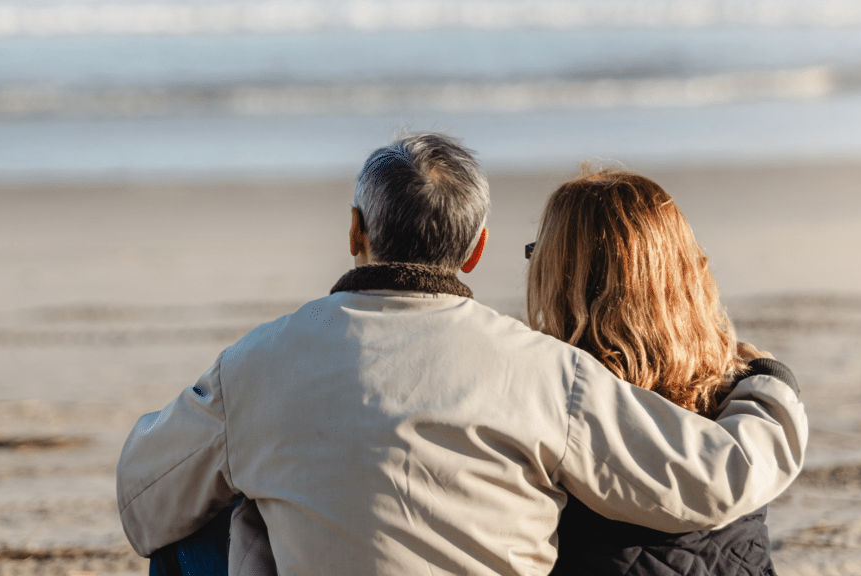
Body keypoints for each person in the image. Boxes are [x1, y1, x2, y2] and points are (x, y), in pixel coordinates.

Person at [117, 133, 807, 576]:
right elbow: (718, 477)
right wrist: (766, 386)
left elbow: (144, 500)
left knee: (199, 529)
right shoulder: (547, 373)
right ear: (476, 249)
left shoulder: (255, 364)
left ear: (356, 230)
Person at [527, 168, 792, 576]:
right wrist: (769, 377)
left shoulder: (545, 406)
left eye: (537, 255)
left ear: (563, 283)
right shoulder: (746, 402)